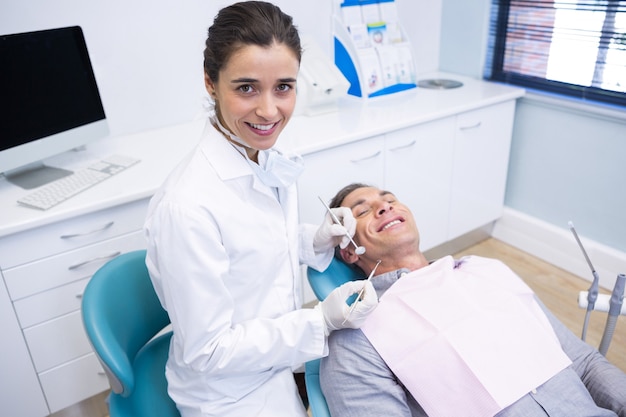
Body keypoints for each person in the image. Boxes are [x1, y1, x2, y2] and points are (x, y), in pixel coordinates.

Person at [143, 4, 377, 417]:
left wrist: (314, 238)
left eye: (283, 87)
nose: (269, 111)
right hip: (227, 393)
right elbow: (208, 351)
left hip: (272, 363)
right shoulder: (187, 208)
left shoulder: (259, 154)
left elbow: (254, 249)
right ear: (210, 83)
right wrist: (320, 321)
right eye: (246, 87)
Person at [319, 183, 626, 417]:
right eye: (362, 211)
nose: (384, 207)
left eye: (389, 200)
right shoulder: (356, 336)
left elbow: (584, 363)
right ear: (348, 250)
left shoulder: (487, 270)